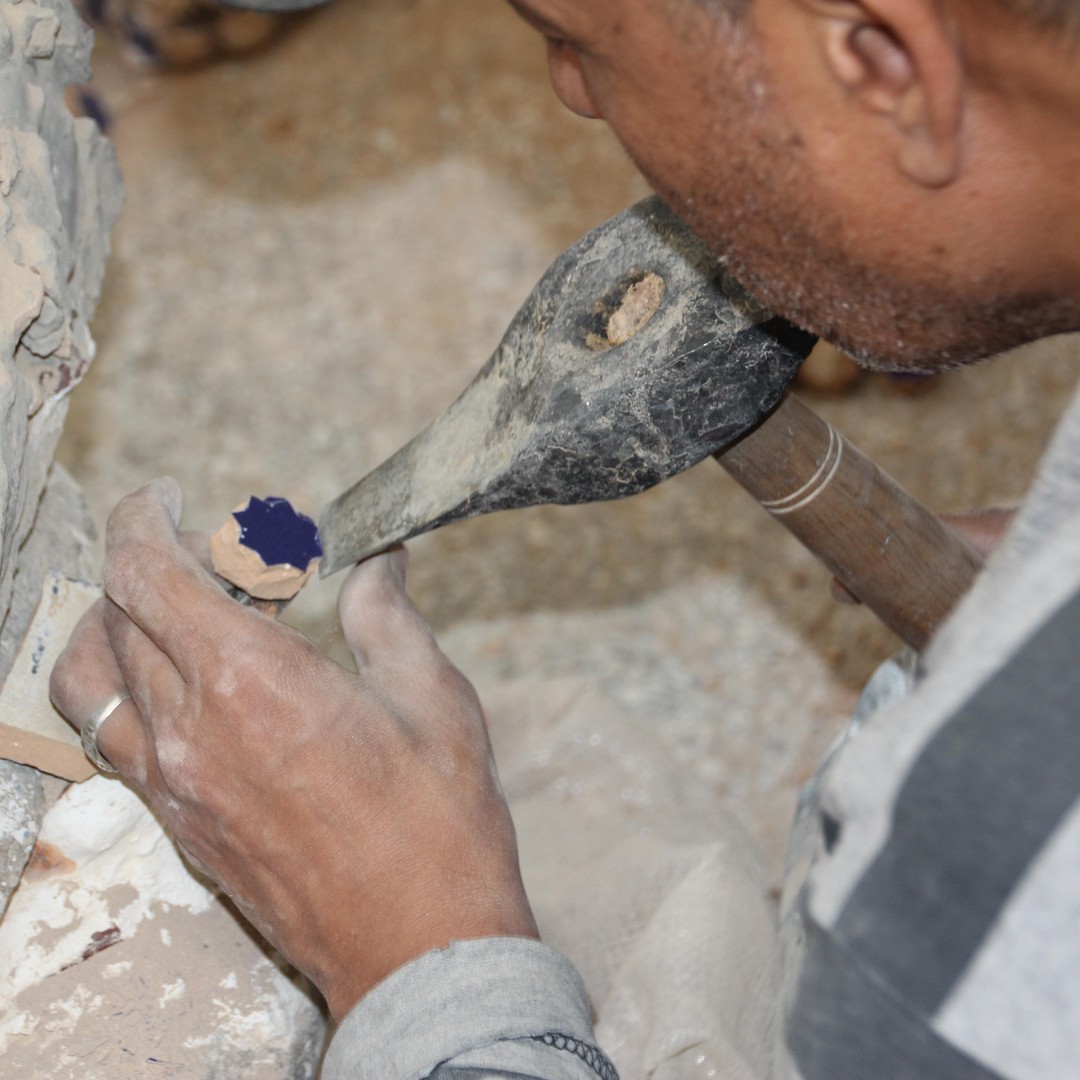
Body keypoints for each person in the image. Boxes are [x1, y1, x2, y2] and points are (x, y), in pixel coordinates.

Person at [51, 1, 1080, 1076]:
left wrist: (426, 961)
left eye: (576, 37)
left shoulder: (945, 960)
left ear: (879, 57)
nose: (568, 90)